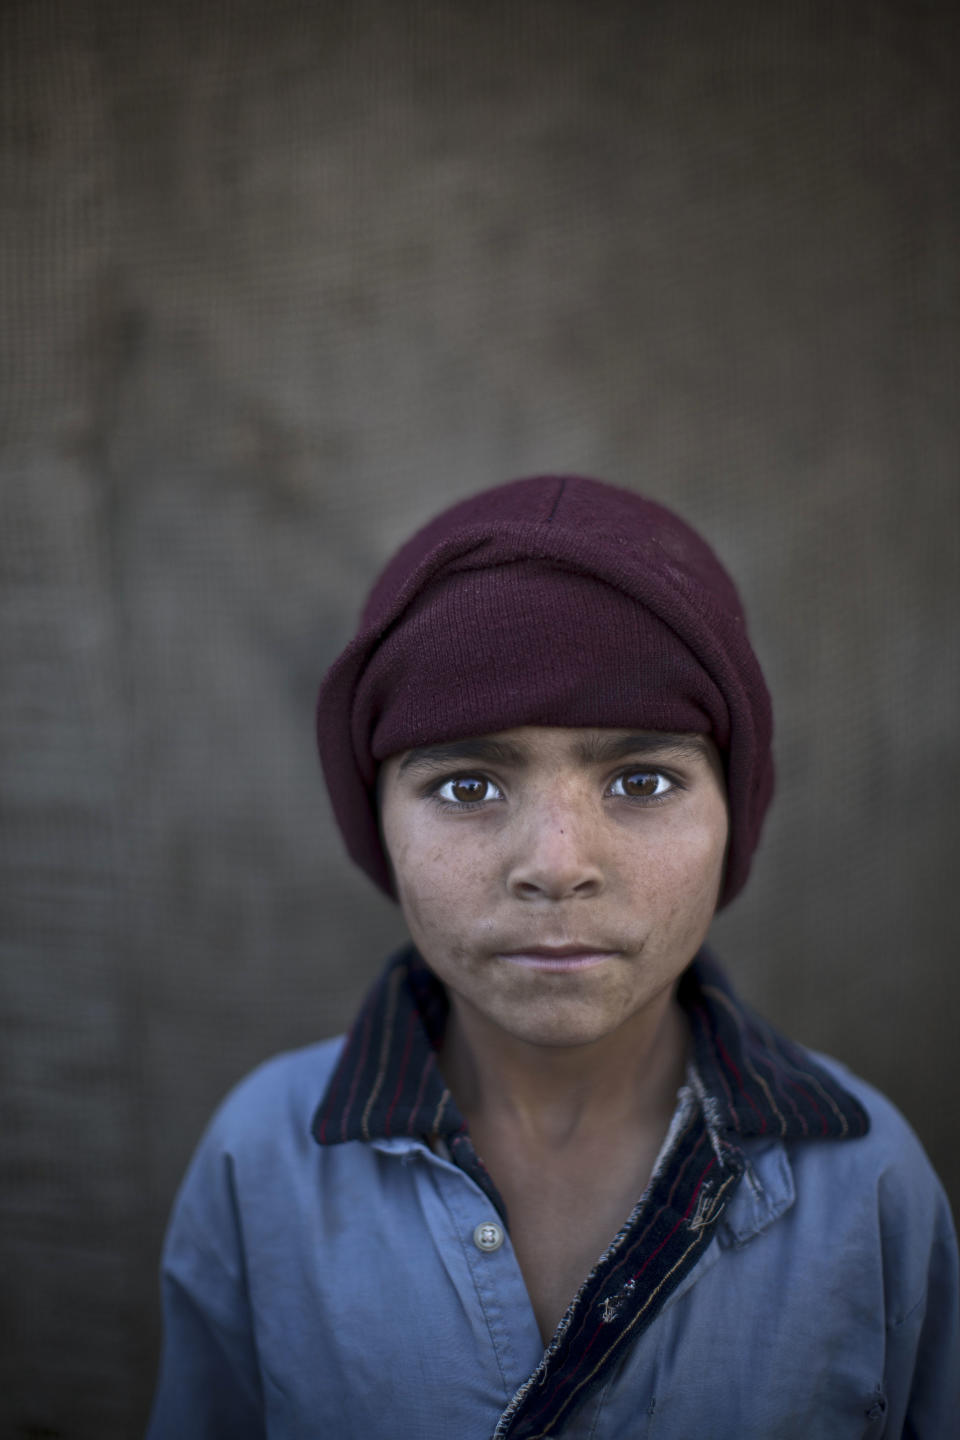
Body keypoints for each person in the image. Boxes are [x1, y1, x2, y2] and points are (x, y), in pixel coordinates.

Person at [146, 475, 958, 1439]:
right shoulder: (263, 1161)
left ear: (737, 811)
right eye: (464, 787)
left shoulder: (866, 1182)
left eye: (643, 779)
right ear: (374, 824)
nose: (557, 866)